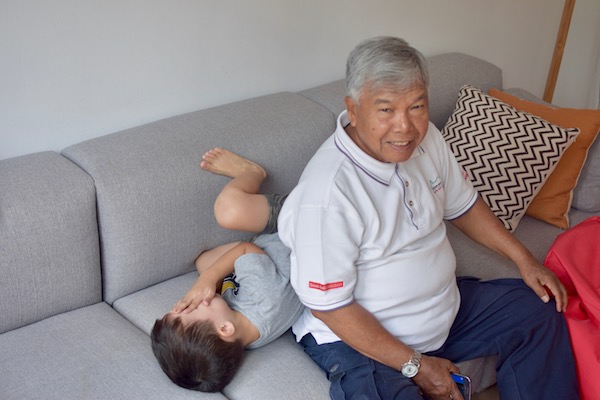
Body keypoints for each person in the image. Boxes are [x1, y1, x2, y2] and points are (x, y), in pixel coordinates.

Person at [277, 36, 579, 399]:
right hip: (357, 341)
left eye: (416, 106)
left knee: (539, 311)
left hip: (444, 310)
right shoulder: (327, 194)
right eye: (386, 110)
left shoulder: (427, 139)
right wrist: (416, 365)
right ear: (353, 110)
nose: (405, 127)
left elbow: (464, 206)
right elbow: (332, 308)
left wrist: (524, 260)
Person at [150, 148, 301, 392]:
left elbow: (209, 266)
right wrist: (208, 279)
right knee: (229, 211)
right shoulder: (265, 300)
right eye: (189, 309)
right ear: (224, 329)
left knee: (202, 262)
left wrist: (208, 282)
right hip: (295, 224)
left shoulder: (242, 334)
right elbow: (246, 249)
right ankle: (253, 172)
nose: (187, 301)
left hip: (266, 256)